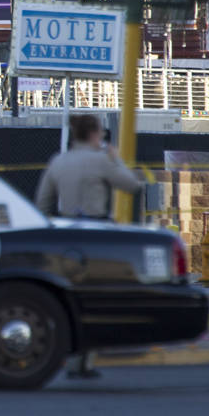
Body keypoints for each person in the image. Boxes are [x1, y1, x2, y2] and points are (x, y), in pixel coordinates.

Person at [34, 113, 143, 379]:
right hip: (96, 231)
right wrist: (115, 159)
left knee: (71, 295)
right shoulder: (101, 160)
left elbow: (42, 203)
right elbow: (133, 186)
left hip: (66, 232)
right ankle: (87, 359)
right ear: (94, 134)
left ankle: (72, 359)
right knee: (98, 296)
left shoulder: (58, 161)